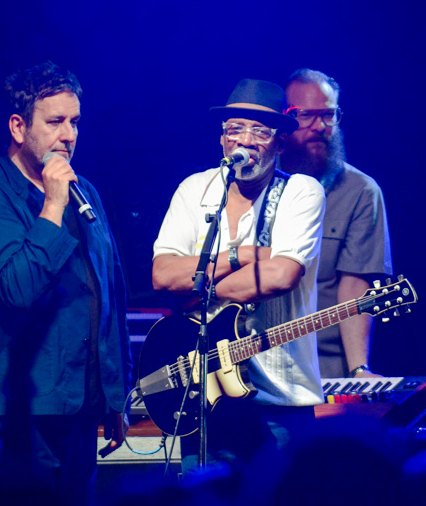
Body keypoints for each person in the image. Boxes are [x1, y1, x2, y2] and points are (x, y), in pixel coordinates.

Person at [0, 61, 132, 506]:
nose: (68, 135)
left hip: (79, 404)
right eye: (54, 122)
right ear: (18, 127)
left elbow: (109, 294)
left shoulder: (85, 192)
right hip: (12, 408)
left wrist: (116, 395)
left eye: (75, 122)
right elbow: (17, 287)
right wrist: (52, 205)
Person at [151, 78, 325, 471]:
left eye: (260, 131)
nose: (245, 141)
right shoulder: (194, 190)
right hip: (205, 392)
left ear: (280, 143)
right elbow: (162, 274)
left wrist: (199, 287)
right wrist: (241, 255)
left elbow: (280, 275)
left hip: (279, 400)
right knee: (202, 505)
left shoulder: (300, 192)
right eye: (235, 130)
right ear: (222, 139)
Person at [283, 69, 393, 379]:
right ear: (284, 118)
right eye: (306, 115)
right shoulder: (257, 184)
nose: (320, 126)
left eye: (328, 115)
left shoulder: (360, 191)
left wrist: (359, 369)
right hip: (250, 362)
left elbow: (355, 285)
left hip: (324, 367)